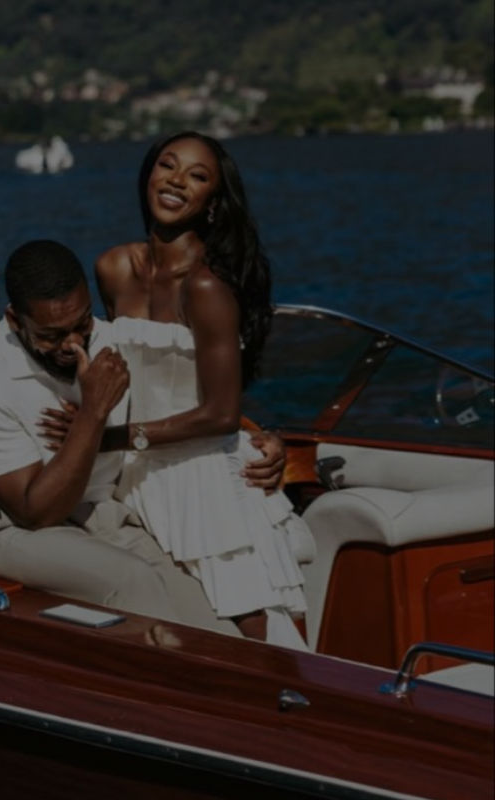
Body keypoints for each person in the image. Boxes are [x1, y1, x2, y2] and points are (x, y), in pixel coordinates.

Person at [0, 238, 288, 636]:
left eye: (81, 324)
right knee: (131, 578)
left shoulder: (107, 340)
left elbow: (184, 401)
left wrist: (258, 437)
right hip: (6, 530)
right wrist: (93, 411)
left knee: (204, 608)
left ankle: (235, 686)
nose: (72, 345)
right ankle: (175, 690)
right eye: (52, 335)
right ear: (14, 320)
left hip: (100, 511)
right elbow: (35, 512)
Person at [54, 131, 311, 648]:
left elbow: (218, 413)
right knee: (165, 626)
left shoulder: (208, 287)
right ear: (148, 174)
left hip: (200, 481)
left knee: (253, 634)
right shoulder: (112, 268)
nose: (176, 181)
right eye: (167, 166)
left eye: (197, 176)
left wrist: (106, 437)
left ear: (212, 203)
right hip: (131, 471)